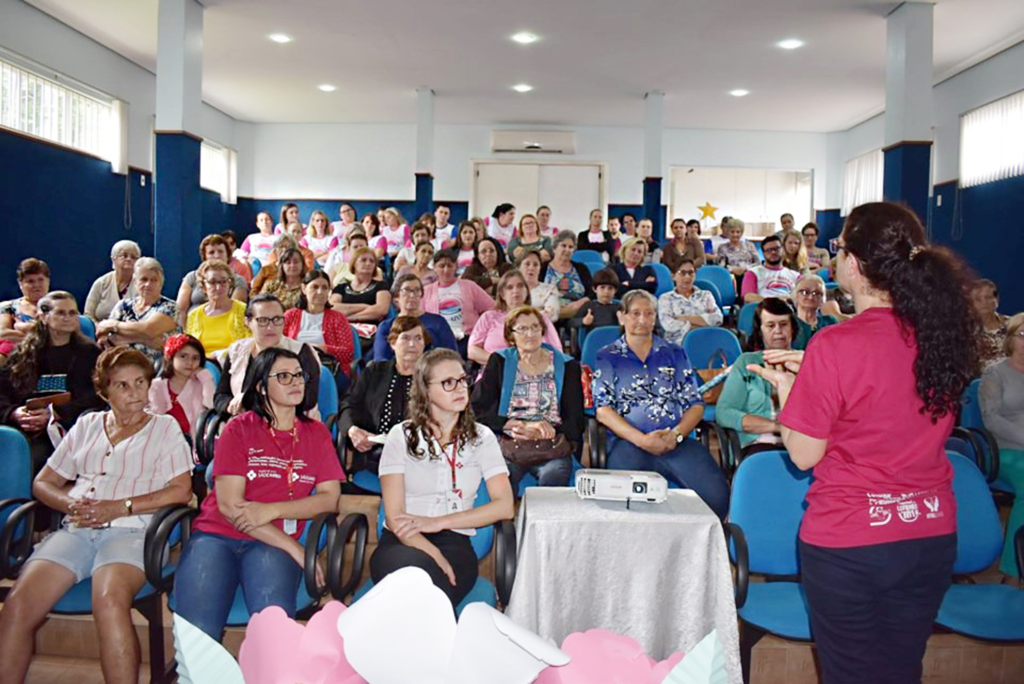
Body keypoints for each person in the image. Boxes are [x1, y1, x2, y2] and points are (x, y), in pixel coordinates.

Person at [746, 202, 978, 684]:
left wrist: (791, 392)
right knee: (900, 670)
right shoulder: (941, 335)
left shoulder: (835, 345)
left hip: (852, 541)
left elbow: (805, 453)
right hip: (930, 533)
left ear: (852, 264)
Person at [0, 347, 192, 684]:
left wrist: (119, 507)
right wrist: (70, 505)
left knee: (109, 600)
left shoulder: (165, 428)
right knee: (18, 604)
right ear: (104, 391)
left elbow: (180, 490)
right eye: (123, 386)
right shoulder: (87, 424)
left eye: (140, 383)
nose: (136, 393)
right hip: (76, 529)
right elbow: (44, 482)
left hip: (133, 531)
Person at [173, 347, 344, 640]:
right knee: (199, 635)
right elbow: (230, 507)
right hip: (218, 535)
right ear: (262, 387)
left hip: (271, 544)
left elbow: (330, 498)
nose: (296, 382)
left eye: (299, 375)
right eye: (284, 376)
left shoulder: (316, 433)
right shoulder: (239, 429)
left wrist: (272, 510)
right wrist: (296, 550)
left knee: (273, 635)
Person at [371, 348, 514, 608]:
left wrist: (439, 522)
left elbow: (504, 506)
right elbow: (395, 517)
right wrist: (433, 553)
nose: (460, 388)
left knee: (421, 595)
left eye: (462, 380)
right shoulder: (400, 435)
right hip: (402, 540)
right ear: (426, 390)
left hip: (455, 544)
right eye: (448, 383)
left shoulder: (482, 438)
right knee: (414, 580)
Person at [593, 290, 730, 519]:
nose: (642, 320)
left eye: (649, 314)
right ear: (621, 317)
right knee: (626, 510)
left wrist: (675, 435)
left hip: (675, 441)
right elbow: (603, 410)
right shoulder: (608, 356)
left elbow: (695, 404)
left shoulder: (674, 353)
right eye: (635, 313)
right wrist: (642, 440)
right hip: (629, 443)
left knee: (716, 499)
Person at [471, 305, 584, 492]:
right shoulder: (499, 361)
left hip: (551, 446)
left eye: (535, 327)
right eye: (522, 329)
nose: (530, 334)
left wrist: (551, 431)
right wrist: (510, 424)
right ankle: (505, 520)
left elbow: (576, 419)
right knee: (501, 477)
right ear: (510, 336)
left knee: (553, 475)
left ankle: (543, 522)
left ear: (542, 331)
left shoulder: (567, 365)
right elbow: (478, 409)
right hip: (509, 442)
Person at [0, 292, 103, 469]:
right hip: (27, 429)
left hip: (72, 426)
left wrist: (55, 414)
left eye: (72, 313)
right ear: (43, 317)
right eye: (61, 313)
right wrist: (14, 414)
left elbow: (97, 396)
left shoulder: (90, 354)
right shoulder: (22, 355)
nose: (68, 318)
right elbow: (2, 393)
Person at [338, 316, 429, 476]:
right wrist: (352, 430)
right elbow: (349, 405)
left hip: (421, 458)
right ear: (393, 343)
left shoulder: (432, 378)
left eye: (418, 338)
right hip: (374, 456)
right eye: (405, 338)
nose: (412, 345)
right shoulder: (375, 372)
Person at [213, 295, 321, 418]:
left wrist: (249, 400)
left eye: (277, 319)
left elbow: (308, 399)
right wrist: (230, 405)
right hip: (244, 424)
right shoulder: (237, 352)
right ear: (248, 322)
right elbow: (221, 395)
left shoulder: (300, 351)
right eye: (263, 320)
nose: (271, 327)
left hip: (293, 425)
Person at [716, 298, 797, 451]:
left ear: (792, 328)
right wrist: (777, 427)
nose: (778, 330)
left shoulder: (805, 362)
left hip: (803, 444)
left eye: (784, 324)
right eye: (770, 325)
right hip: (760, 443)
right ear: (760, 330)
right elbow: (724, 413)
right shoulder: (746, 363)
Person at [980, 313, 1024, 580]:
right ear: (1010, 340)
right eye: (1023, 335)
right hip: (1005, 451)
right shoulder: (995, 373)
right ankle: (1012, 570)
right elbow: (991, 418)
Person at [467, 271, 561, 367]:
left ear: (526, 291)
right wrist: (499, 361)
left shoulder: (540, 318)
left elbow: (557, 352)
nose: (516, 291)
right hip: (495, 371)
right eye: (510, 287)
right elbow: (472, 351)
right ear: (502, 294)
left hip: (533, 372)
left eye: (520, 286)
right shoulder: (489, 317)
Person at [97, 258, 179, 365]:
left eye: (154, 280)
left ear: (161, 283)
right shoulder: (124, 305)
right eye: (143, 279)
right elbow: (102, 335)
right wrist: (144, 339)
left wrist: (114, 325)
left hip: (155, 368)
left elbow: (148, 330)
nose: (148, 284)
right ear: (135, 282)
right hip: (119, 364)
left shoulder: (170, 307)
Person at [283, 270, 356, 379]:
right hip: (293, 367)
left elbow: (348, 353)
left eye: (325, 288)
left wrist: (323, 349)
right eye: (315, 287)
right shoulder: (290, 316)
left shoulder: (338, 318)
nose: (320, 292)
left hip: (327, 369)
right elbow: (279, 343)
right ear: (304, 289)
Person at [374, 274, 458, 361]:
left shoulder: (438, 322)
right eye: (406, 290)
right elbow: (380, 359)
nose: (412, 295)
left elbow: (451, 355)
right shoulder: (386, 326)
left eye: (417, 290)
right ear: (396, 297)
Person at [422, 250, 495, 348]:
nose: (446, 270)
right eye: (441, 266)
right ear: (434, 268)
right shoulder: (426, 291)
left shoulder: (469, 286)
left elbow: (491, 307)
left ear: (456, 266)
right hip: (437, 341)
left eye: (449, 265)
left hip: (467, 339)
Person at [148, 333, 215, 439]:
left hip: (195, 445)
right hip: (163, 444)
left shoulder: (200, 384)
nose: (190, 362)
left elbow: (211, 405)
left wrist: (205, 376)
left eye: (195, 358)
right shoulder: (157, 386)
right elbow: (153, 422)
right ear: (171, 357)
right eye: (183, 356)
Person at [174, 235, 248, 327]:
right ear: (204, 257)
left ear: (227, 255)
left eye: (220, 252)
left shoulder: (238, 280)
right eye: (211, 252)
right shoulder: (192, 277)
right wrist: (185, 332)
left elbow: (236, 311)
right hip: (192, 325)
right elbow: (180, 309)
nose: (217, 256)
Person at [329, 246, 393, 352]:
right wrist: (365, 307)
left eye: (371, 261)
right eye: (363, 260)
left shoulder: (381, 286)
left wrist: (352, 317)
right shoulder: (341, 287)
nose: (368, 263)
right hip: (342, 330)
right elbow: (333, 308)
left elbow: (381, 310)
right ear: (354, 263)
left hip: (371, 334)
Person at [185, 259, 251, 355]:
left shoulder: (244, 311)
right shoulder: (194, 315)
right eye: (212, 282)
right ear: (204, 286)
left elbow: (249, 345)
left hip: (234, 363)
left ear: (230, 284)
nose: (218, 287)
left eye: (223, 282)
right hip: (201, 365)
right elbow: (190, 349)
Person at [657, 259, 723, 346]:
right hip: (676, 345)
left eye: (691, 272)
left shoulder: (706, 295)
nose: (687, 277)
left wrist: (684, 318)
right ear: (673, 276)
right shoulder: (666, 298)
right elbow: (668, 325)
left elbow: (717, 319)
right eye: (682, 273)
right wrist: (704, 323)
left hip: (706, 342)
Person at [0, 258, 51, 357]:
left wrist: (22, 332)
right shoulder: (7, 307)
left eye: (40, 280)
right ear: (21, 284)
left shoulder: (61, 305)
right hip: (18, 358)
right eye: (30, 281)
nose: (36, 285)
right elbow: (2, 333)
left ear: (48, 281)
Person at [85, 241, 141, 323]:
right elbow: (88, 315)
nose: (129, 259)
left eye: (133, 257)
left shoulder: (142, 284)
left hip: (131, 332)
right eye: (124, 256)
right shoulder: (102, 283)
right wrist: (99, 329)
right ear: (113, 259)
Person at [543, 230, 593, 320]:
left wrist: (578, 304)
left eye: (570, 247)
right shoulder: (542, 268)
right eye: (563, 246)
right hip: (548, 314)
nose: (567, 250)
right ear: (554, 248)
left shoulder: (581, 269)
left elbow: (592, 293)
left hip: (577, 313)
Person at [740, 234, 801, 303]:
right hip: (763, 309)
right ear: (763, 254)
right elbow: (748, 297)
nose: (773, 252)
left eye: (776, 249)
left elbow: (802, 296)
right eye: (769, 250)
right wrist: (775, 301)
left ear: (783, 249)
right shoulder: (753, 273)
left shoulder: (796, 276)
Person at [792, 275, 838, 350]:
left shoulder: (830, 322)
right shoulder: (789, 322)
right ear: (795, 295)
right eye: (805, 292)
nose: (811, 297)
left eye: (817, 293)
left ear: (823, 299)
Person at [972, 279, 1010, 370]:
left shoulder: (1014, 325)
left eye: (988, 297)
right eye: (978, 299)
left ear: (996, 299)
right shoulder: (964, 331)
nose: (984, 303)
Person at [570, 268, 621, 333]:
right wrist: (583, 321)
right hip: (593, 341)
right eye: (602, 287)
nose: (606, 292)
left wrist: (623, 321)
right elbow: (571, 322)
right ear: (594, 289)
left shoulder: (619, 307)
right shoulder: (589, 305)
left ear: (615, 291)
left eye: (610, 288)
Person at [518, 250, 560, 323]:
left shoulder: (549, 290)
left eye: (535, 265)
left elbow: (552, 315)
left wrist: (521, 311)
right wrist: (537, 309)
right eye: (527, 264)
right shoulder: (511, 288)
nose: (531, 268)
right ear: (519, 267)